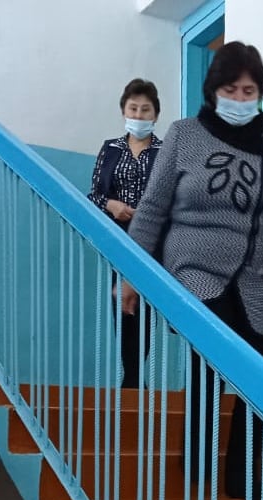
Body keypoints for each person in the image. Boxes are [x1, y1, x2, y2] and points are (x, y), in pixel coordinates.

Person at [122, 42, 263, 500]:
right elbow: (152, 208)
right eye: (231, 89)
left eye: (250, 91)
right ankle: (198, 468)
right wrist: (131, 274)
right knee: (209, 369)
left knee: (260, 383)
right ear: (213, 91)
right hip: (196, 270)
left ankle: (244, 480)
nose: (241, 99)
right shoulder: (185, 134)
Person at [87, 78, 162, 388]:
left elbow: (172, 195)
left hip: (153, 242)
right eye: (133, 109)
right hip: (118, 239)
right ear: (123, 111)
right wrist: (112, 205)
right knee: (121, 304)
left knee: (145, 306)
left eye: (145, 110)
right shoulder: (110, 149)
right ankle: (131, 376)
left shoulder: (164, 151)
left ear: (155, 114)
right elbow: (93, 195)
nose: (139, 115)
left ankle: (134, 376)